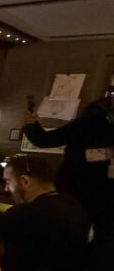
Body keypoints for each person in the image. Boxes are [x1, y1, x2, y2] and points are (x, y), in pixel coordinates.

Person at [23, 87, 114, 235]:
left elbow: (44, 140)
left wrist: (30, 123)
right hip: (104, 193)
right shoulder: (98, 124)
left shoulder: (90, 121)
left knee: (69, 227)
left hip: (76, 187)